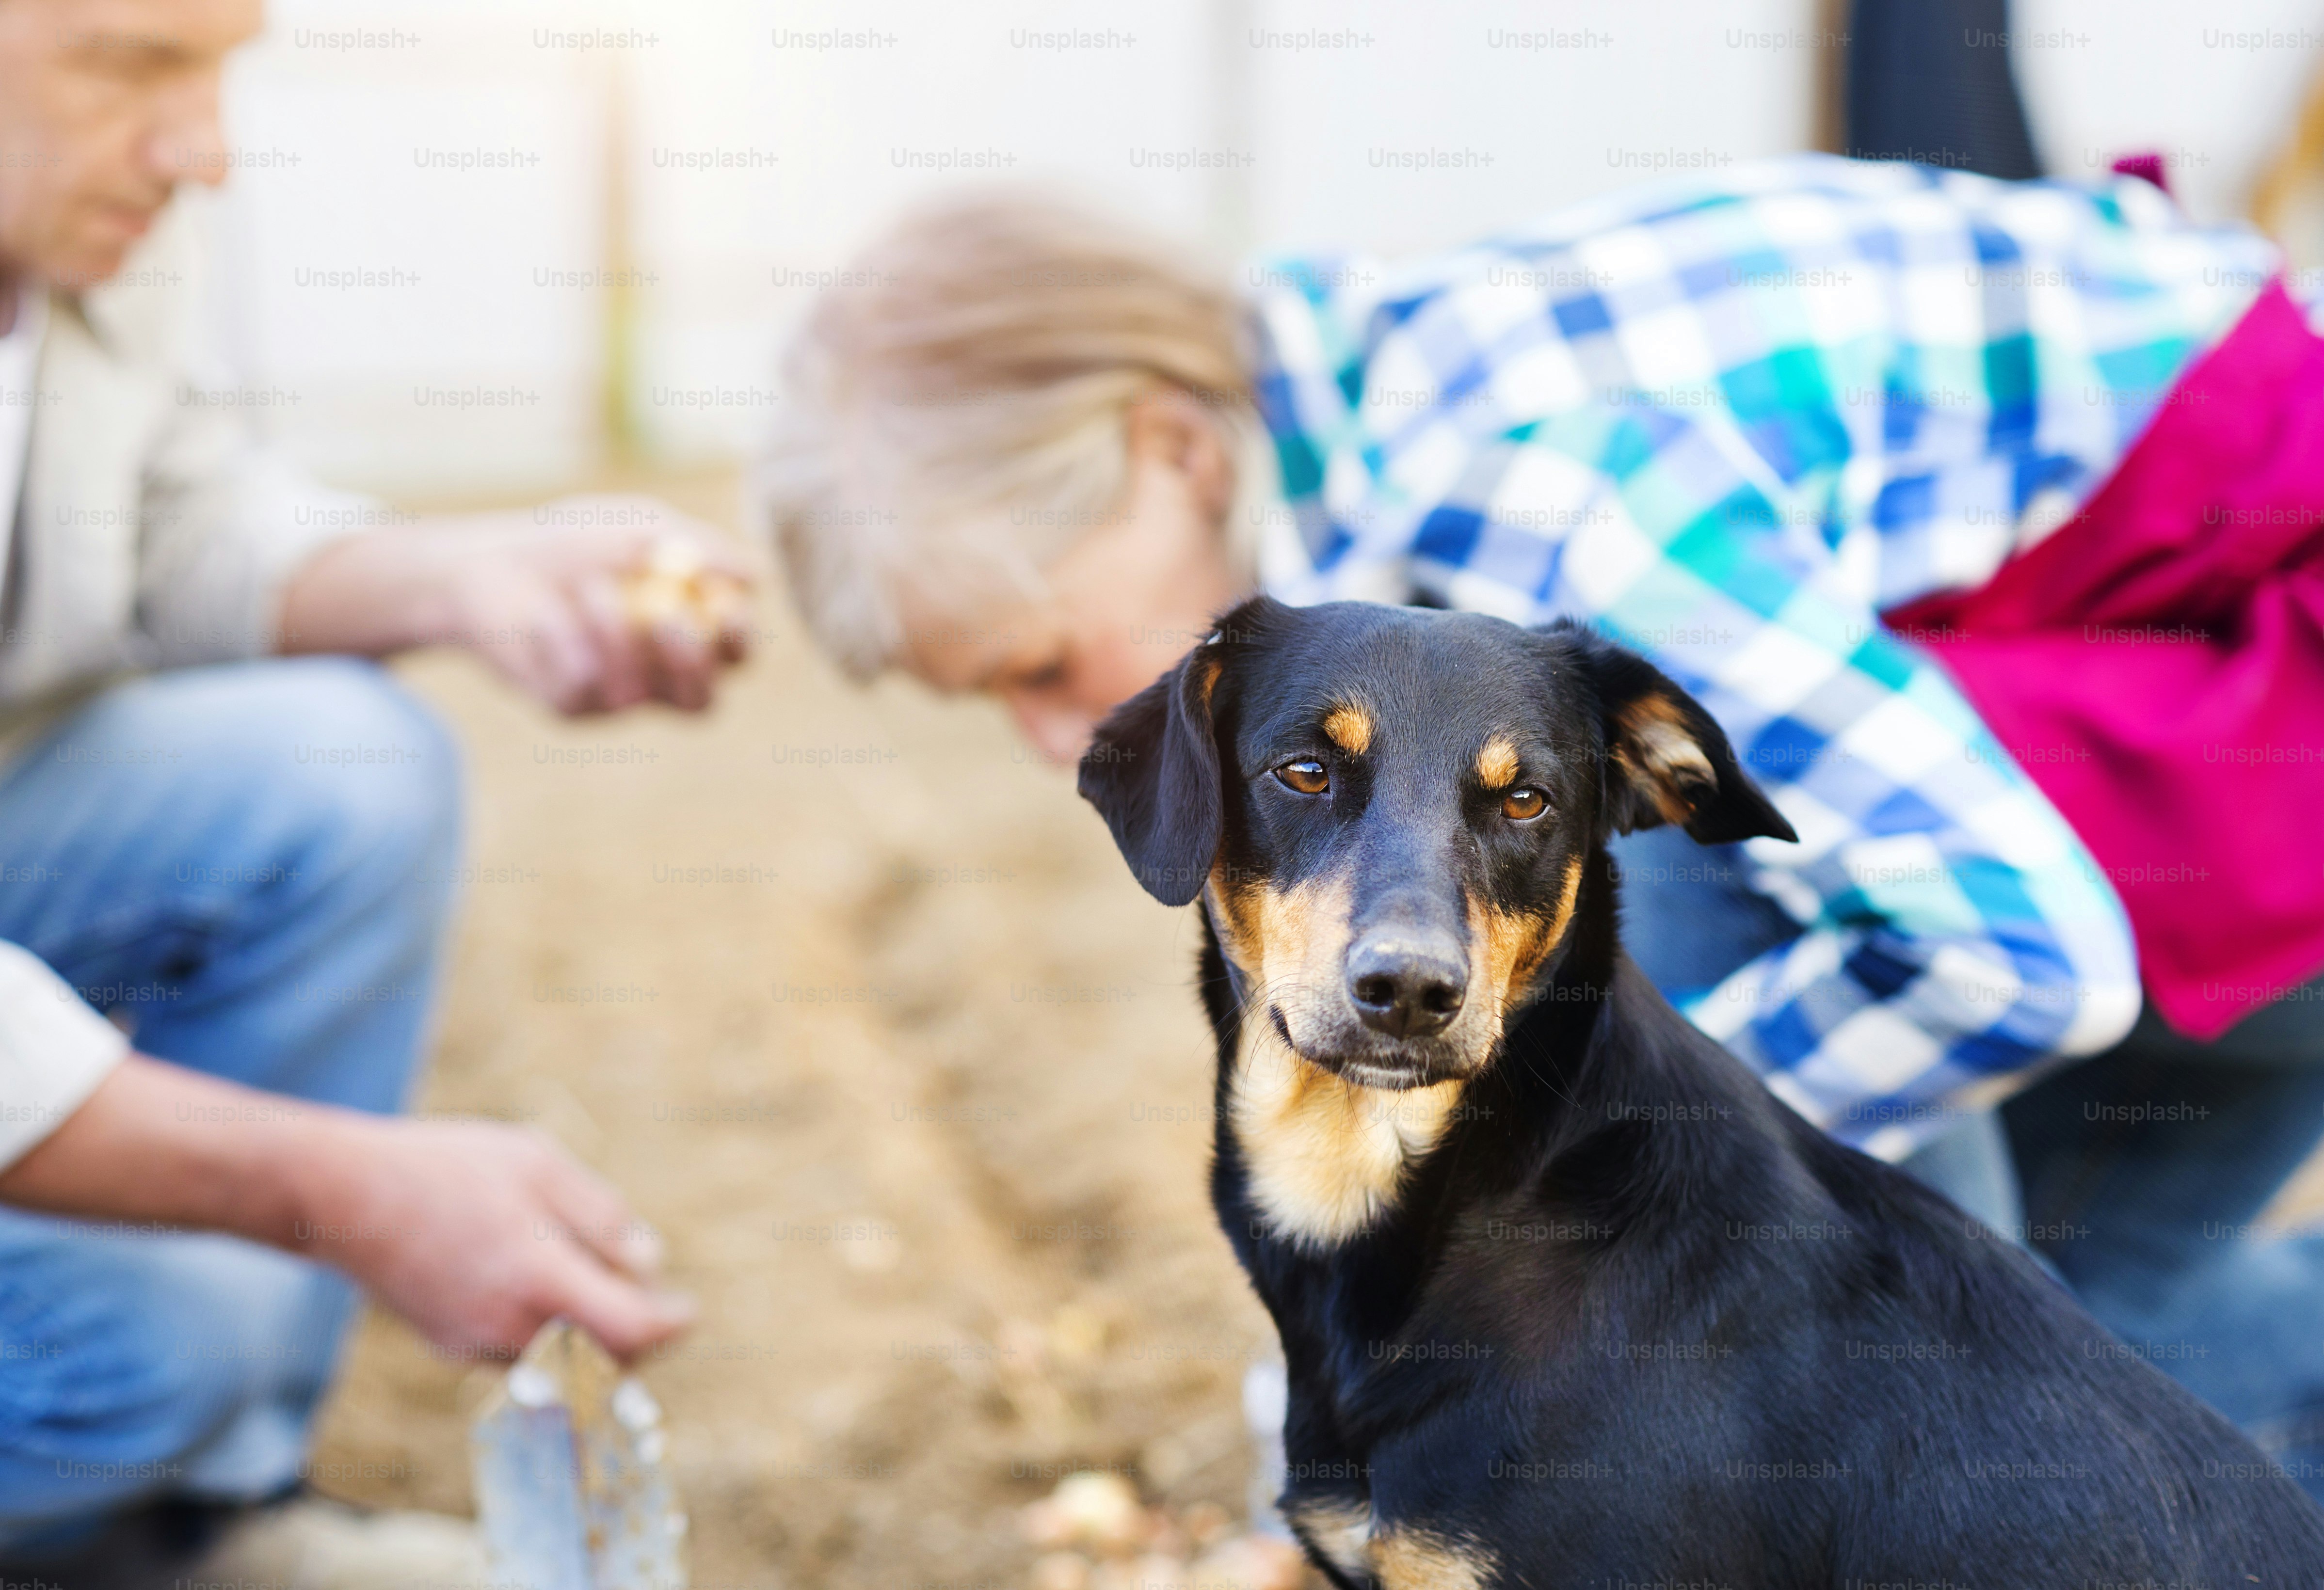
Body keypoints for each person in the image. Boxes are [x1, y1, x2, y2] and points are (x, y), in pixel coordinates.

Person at [762, 155, 2324, 1495]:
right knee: (2110, 1366)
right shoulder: (1391, 403)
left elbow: (2016, 955)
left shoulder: (1534, 499)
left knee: (1622, 867)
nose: (1053, 743)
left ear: (1172, 448)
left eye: (1039, 666)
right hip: (2189, 762)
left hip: (2241, 727)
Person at [0, 0, 750, 1577]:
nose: (203, 148)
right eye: (128, 60)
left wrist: (473, 577)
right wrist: (327, 1189)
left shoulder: (67, 232)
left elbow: (170, 520)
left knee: (337, 773)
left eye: (217, 68)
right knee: (147, 1336)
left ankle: (186, 1524)